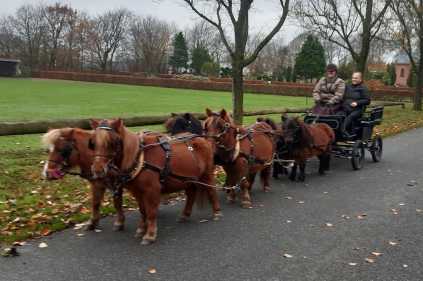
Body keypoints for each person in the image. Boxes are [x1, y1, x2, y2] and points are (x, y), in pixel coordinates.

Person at [341, 72, 370, 137]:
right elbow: (343, 97)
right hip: (346, 108)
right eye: (353, 78)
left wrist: (357, 103)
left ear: (360, 79)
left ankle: (343, 130)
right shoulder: (348, 86)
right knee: (339, 115)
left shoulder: (363, 88)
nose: (354, 79)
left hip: (358, 109)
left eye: (356, 78)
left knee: (351, 116)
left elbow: (367, 100)